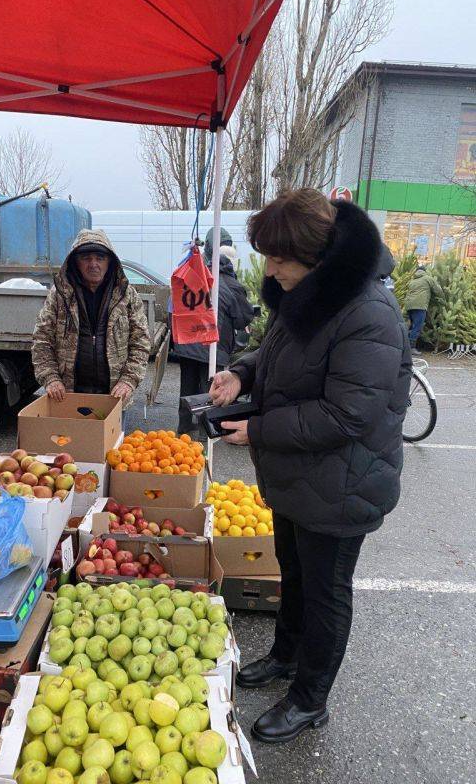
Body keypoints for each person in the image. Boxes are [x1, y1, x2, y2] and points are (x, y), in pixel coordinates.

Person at [209, 189, 411, 744]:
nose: (270, 271)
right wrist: (242, 374)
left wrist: (258, 429)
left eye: (279, 259)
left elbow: (347, 415)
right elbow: (277, 347)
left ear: (317, 257)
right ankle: (285, 656)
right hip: (300, 477)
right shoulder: (311, 291)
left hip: (344, 482)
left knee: (326, 592)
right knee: (292, 574)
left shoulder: (368, 311)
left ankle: (310, 700)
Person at [32, 229, 151, 403]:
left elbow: (140, 342)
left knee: (113, 432)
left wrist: (128, 380)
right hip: (68, 396)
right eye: (86, 258)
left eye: (100, 258)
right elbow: (42, 339)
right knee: (67, 432)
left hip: (114, 397)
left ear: (110, 262)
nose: (93, 264)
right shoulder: (60, 295)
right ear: (75, 262)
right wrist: (51, 378)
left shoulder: (126, 295)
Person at [174, 229, 254, 435]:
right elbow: (243, 318)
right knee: (209, 388)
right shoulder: (233, 285)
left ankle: (184, 427)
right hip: (213, 345)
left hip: (188, 342)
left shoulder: (199, 276)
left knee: (188, 386)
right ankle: (204, 431)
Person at [404, 264, 443, 354]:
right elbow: (437, 290)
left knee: (410, 326)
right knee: (417, 327)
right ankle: (411, 348)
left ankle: (404, 347)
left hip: (409, 305)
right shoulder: (427, 278)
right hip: (420, 305)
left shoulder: (412, 281)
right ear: (425, 271)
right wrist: (442, 299)